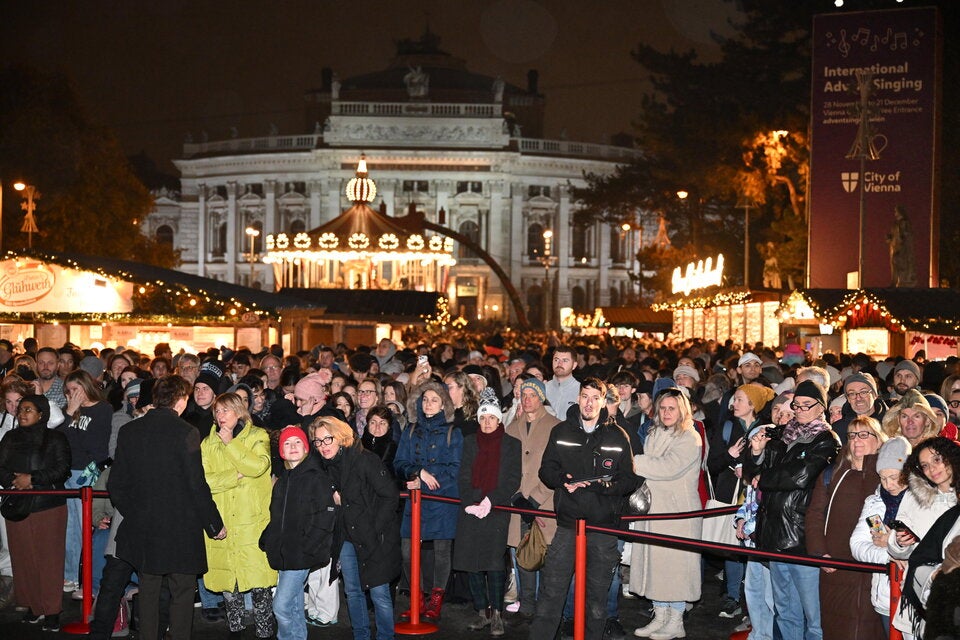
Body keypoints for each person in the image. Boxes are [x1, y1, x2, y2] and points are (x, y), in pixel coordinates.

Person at [108, 375, 225, 640]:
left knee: (148, 587)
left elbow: (117, 483)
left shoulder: (130, 430)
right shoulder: (186, 432)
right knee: (182, 590)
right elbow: (196, 484)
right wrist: (214, 523)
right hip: (180, 526)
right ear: (181, 399)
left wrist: (135, 511)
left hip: (143, 525)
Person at [528, 377, 641, 640]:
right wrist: (562, 481)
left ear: (604, 401)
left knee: (596, 599)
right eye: (584, 396)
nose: (589, 403)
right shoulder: (561, 432)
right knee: (551, 592)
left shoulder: (618, 435)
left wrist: (602, 486)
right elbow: (546, 470)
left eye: (594, 398)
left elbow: (629, 479)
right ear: (577, 398)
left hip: (603, 527)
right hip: (568, 524)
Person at [744, 380, 841, 640]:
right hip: (775, 532)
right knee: (785, 610)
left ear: (821, 407)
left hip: (802, 536)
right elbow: (752, 475)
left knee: (813, 616)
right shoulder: (782, 435)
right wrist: (756, 453)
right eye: (796, 405)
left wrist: (763, 477)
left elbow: (801, 476)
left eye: (806, 406)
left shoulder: (827, 440)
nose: (799, 411)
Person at [313, 415, 401, 640]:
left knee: (379, 592)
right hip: (347, 536)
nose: (323, 446)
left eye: (328, 439)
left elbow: (390, 496)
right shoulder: (324, 466)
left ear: (340, 437)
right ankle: (360, 635)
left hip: (374, 536)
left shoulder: (364, 459)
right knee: (353, 591)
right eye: (318, 441)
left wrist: (374, 529)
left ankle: (385, 637)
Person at [201, 392, 276, 639]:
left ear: (239, 411)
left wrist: (231, 443)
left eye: (226, 410)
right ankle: (235, 631)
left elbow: (257, 467)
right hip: (222, 521)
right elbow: (204, 481)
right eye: (217, 412)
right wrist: (234, 477)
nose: (221, 416)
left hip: (252, 522)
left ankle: (265, 632)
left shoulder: (258, 436)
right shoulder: (207, 443)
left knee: (259, 584)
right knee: (229, 587)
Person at [804, 415, 886, 639]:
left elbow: (881, 514)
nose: (857, 440)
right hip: (836, 563)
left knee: (871, 628)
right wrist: (819, 553)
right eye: (852, 435)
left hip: (873, 565)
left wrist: (881, 544)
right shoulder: (833, 472)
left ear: (878, 440)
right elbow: (815, 514)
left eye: (863, 434)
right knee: (837, 627)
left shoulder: (886, 475)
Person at [631, 387, 703, 639]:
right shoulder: (655, 432)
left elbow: (669, 467)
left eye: (672, 408)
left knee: (676, 568)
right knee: (657, 566)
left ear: (682, 409)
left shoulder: (689, 437)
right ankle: (660, 615)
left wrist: (635, 462)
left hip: (677, 512)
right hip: (655, 510)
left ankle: (676, 620)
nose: (666, 412)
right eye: (663, 407)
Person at [394, 380, 463, 623]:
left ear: (444, 403)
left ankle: (436, 599)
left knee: (442, 551)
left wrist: (422, 481)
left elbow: (455, 469)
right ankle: (417, 599)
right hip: (415, 500)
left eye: (435, 399)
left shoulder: (454, 432)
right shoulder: (411, 430)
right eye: (425, 399)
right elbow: (399, 463)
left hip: (442, 499)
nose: (429, 404)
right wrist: (417, 473)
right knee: (406, 551)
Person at [0, 394, 70, 631]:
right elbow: (0, 466)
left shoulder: (55, 438)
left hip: (47, 506)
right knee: (23, 558)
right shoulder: (10, 437)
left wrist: (32, 479)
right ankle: (33, 605)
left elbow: (62, 469)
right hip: (17, 505)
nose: (22, 413)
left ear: (41, 414)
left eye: (28, 409)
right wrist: (14, 481)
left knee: (49, 560)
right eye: (20, 410)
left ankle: (51, 610)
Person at [454, 389, 521, 636]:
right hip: (471, 508)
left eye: (491, 417)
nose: (487, 422)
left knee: (494, 565)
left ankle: (498, 616)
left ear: (499, 419)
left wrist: (490, 500)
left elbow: (513, 478)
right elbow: (462, 475)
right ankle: (481, 612)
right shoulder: (471, 442)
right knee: (471, 563)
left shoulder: (511, 444)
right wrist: (473, 500)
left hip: (496, 509)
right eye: (483, 417)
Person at [259, 426, 336, 640]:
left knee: (281, 606)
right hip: (283, 553)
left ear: (306, 447)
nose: (292, 447)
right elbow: (277, 516)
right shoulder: (282, 482)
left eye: (297, 442)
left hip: (301, 554)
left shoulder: (316, 478)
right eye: (287, 443)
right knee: (292, 606)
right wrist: (268, 538)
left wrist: (308, 546)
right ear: (281, 451)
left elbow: (325, 517)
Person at [706, 383, 774, 619]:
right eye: (734, 399)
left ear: (753, 405)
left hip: (756, 496)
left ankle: (751, 604)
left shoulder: (767, 428)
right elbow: (711, 464)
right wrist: (729, 456)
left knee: (753, 545)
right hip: (730, 494)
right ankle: (732, 597)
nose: (734, 404)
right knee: (733, 545)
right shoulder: (726, 427)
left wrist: (747, 470)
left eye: (740, 400)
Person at [887, 436, 960, 639]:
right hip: (918, 591)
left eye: (937, 459)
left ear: (951, 456)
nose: (932, 469)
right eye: (925, 465)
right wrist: (900, 543)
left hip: (951, 596)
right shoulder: (914, 496)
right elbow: (895, 548)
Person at [504, 377, 560, 619]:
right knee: (522, 556)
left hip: (545, 504)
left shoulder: (556, 427)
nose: (527, 400)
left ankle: (546, 612)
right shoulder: (511, 428)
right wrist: (516, 496)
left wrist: (536, 499)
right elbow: (504, 467)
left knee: (546, 558)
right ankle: (527, 607)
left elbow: (558, 468)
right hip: (518, 504)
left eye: (533, 395)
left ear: (542, 398)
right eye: (524, 395)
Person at [59, 368, 113, 596]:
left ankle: (87, 580)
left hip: (90, 471)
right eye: (68, 390)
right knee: (71, 527)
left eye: (76, 389)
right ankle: (71, 575)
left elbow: (95, 446)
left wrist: (72, 417)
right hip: (67, 471)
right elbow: (59, 442)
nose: (72, 394)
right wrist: (69, 414)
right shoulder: (68, 411)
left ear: (86, 386)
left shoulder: (103, 409)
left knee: (86, 525)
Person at [850, 436, 911, 634]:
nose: (888, 484)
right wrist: (891, 554)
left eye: (894, 477)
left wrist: (889, 542)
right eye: (883, 478)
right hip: (885, 596)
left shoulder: (922, 501)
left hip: (915, 596)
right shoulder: (875, 503)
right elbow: (858, 545)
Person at [544, 346, 580, 416]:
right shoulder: (543, 389)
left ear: (574, 365)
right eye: (556, 360)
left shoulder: (580, 391)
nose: (559, 364)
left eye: (565, 360)